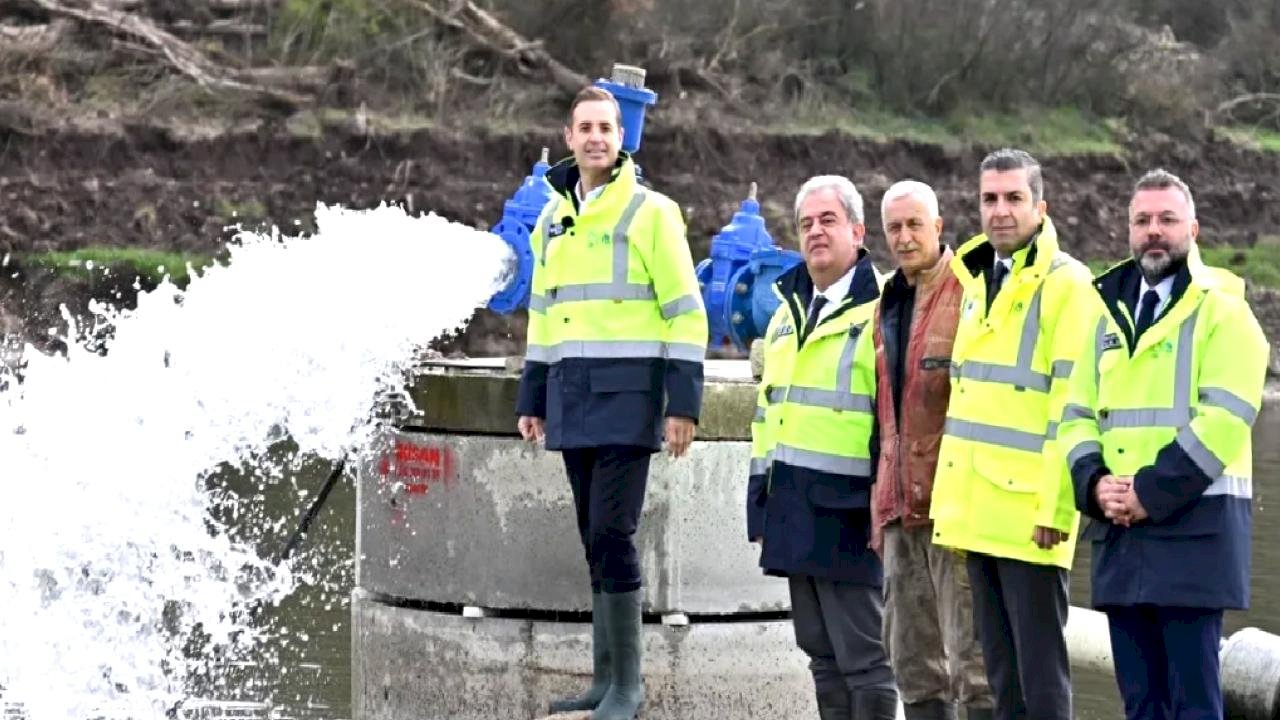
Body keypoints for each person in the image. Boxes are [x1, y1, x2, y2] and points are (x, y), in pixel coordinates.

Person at [514, 85, 708, 720]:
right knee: (591, 538)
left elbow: (686, 310)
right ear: (568, 139)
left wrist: (683, 405)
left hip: (630, 397)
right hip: (572, 397)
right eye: (585, 127)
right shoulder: (551, 220)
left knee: (612, 531)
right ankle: (604, 683)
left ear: (621, 138)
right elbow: (543, 317)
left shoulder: (653, 212)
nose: (596, 136)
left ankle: (629, 687)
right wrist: (533, 397)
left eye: (608, 126)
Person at [1058, 169, 1269, 720]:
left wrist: (1147, 492)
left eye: (1167, 220)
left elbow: (1225, 418)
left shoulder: (1226, 312)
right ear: (1128, 230)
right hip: (1120, 538)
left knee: (1193, 705)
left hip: (1193, 536)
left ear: (1193, 228)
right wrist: (1094, 485)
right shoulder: (1103, 314)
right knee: (1140, 705)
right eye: (1143, 220)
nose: (1155, 231)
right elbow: (1075, 414)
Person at [928, 148, 1096, 720]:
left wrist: (1057, 506)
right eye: (989, 199)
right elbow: (973, 401)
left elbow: (1073, 401)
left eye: (1013, 199)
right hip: (979, 513)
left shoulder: (1068, 284)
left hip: (1032, 520)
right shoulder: (978, 279)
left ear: (1040, 206)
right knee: (1001, 678)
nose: (1000, 211)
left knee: (1042, 682)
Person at [746, 175, 899, 720]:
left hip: (853, 512)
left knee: (867, 660)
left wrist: (887, 510)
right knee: (821, 656)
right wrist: (758, 500)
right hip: (793, 505)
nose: (815, 232)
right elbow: (768, 414)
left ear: (857, 231)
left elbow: (894, 424)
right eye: (806, 223)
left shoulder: (883, 309)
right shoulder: (787, 311)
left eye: (828, 221)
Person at [870, 180, 992, 720]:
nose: (903, 237)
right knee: (912, 662)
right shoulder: (884, 303)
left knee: (975, 663)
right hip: (897, 511)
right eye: (893, 227)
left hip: (954, 509)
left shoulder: (971, 293)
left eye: (915, 224)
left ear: (939, 227)